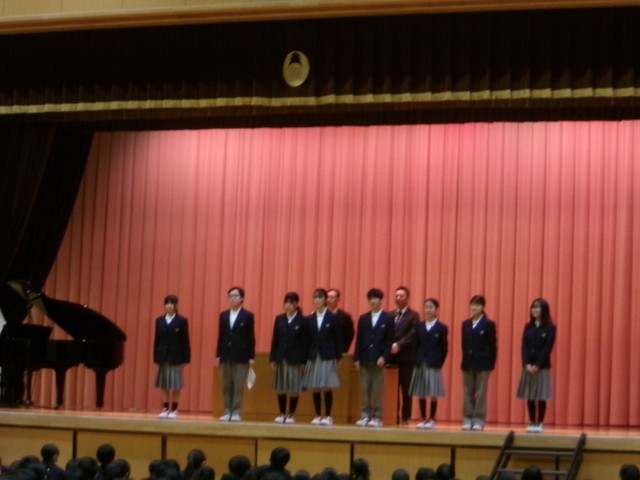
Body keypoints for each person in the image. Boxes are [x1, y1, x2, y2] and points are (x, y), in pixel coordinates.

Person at [353, 288, 394, 427]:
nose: (373, 301)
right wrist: (356, 358)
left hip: (379, 359)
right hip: (365, 358)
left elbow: (389, 341)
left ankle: (377, 416)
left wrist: (384, 357)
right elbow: (359, 339)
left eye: (376, 298)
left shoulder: (388, 318)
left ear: (381, 300)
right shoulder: (363, 318)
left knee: (377, 389)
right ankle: (365, 415)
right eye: (371, 298)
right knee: (365, 389)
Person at [302, 288, 342, 425]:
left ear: (325, 300)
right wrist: (304, 359)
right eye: (315, 297)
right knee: (315, 386)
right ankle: (318, 415)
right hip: (313, 355)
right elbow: (306, 341)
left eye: (319, 297)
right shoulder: (309, 319)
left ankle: (328, 415)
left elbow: (337, 338)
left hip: (328, 355)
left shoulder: (332, 317)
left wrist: (338, 357)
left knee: (326, 385)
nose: (317, 300)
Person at [216, 286, 256, 422]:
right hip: (226, 354)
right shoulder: (223, 315)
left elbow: (251, 337)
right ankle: (227, 411)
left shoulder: (247, 316)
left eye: (235, 296)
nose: (232, 299)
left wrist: (251, 356)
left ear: (242, 298)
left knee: (238, 385)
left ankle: (236, 412)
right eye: (230, 296)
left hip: (241, 355)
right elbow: (221, 336)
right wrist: (218, 355)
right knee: (226, 385)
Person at [517, 298, 557, 433]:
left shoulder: (550, 328)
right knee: (530, 395)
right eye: (533, 307)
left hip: (542, 366)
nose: (535, 310)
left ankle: (539, 422)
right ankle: (532, 422)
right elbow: (524, 346)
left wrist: (537, 365)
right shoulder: (528, 327)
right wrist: (526, 363)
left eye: (538, 307)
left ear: (544, 310)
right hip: (528, 366)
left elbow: (547, 348)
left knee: (540, 395)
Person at [409, 298, 448, 429]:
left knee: (433, 392)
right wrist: (416, 359)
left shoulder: (441, 328)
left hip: (434, 362)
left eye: (431, 307)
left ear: (436, 309)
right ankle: (422, 418)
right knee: (421, 391)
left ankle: (431, 418)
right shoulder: (419, 326)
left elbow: (444, 348)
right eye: (426, 307)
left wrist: (439, 362)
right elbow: (415, 345)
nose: (428, 310)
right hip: (420, 361)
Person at [269, 292, 307, 424]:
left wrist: (303, 361)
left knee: (294, 388)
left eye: (291, 303)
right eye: (286, 303)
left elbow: (305, 343)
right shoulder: (279, 319)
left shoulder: (302, 320)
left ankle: (291, 414)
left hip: (295, 359)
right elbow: (275, 339)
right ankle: (282, 413)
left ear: (296, 304)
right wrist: (272, 358)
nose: (287, 306)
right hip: (281, 357)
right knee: (281, 387)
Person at [461, 295, 497, 431]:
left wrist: (491, 363)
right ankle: (467, 418)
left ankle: (478, 420)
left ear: (483, 307)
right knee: (467, 392)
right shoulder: (465, 324)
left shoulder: (488, 324)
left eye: (477, 305)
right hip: (468, 362)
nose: (474, 307)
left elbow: (493, 345)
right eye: (472, 305)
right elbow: (464, 345)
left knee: (481, 393)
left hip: (483, 363)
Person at [154, 294, 191, 419]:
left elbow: (185, 340)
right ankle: (165, 408)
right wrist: (156, 356)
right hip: (162, 355)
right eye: (167, 303)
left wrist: (186, 358)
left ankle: (174, 409)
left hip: (176, 356)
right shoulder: (159, 320)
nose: (169, 306)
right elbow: (157, 340)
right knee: (164, 383)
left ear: (176, 305)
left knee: (176, 384)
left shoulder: (181, 321)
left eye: (171, 303)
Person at [389, 286, 420, 424]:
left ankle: (406, 417)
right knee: (392, 388)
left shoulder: (413, 315)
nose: (398, 298)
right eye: (396, 296)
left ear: (407, 298)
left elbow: (413, 334)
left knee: (406, 388)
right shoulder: (390, 315)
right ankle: (392, 415)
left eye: (401, 296)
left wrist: (399, 345)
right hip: (392, 357)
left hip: (407, 357)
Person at [327, 289, 355, 353]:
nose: (329, 300)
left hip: (338, 352)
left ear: (338, 300)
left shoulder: (345, 317)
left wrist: (343, 350)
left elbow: (349, 335)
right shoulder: (319, 315)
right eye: (327, 297)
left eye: (332, 297)